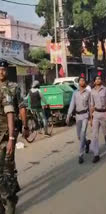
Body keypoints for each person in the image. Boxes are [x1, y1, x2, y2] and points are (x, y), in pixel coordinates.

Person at [0, 59, 28, 214]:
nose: (1, 72)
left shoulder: (13, 87)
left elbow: (21, 108)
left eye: (3, 69)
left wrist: (24, 126)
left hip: (8, 132)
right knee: (5, 166)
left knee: (7, 164)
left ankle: (10, 198)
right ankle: (11, 186)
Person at [66, 75, 91, 164]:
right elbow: (72, 104)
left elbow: (90, 105)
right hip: (78, 116)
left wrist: (91, 118)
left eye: (83, 80)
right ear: (78, 82)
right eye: (80, 81)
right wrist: (68, 115)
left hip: (85, 115)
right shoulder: (75, 93)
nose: (82, 82)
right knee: (80, 136)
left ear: (85, 82)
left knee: (83, 132)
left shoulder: (88, 92)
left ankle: (80, 155)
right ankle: (87, 143)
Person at [90, 75, 106, 163]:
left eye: (99, 78)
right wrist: (91, 118)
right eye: (96, 79)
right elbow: (91, 105)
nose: (98, 80)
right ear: (94, 81)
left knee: (105, 133)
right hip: (95, 114)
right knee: (94, 135)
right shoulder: (92, 91)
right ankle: (96, 154)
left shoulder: (105, 90)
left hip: (103, 113)